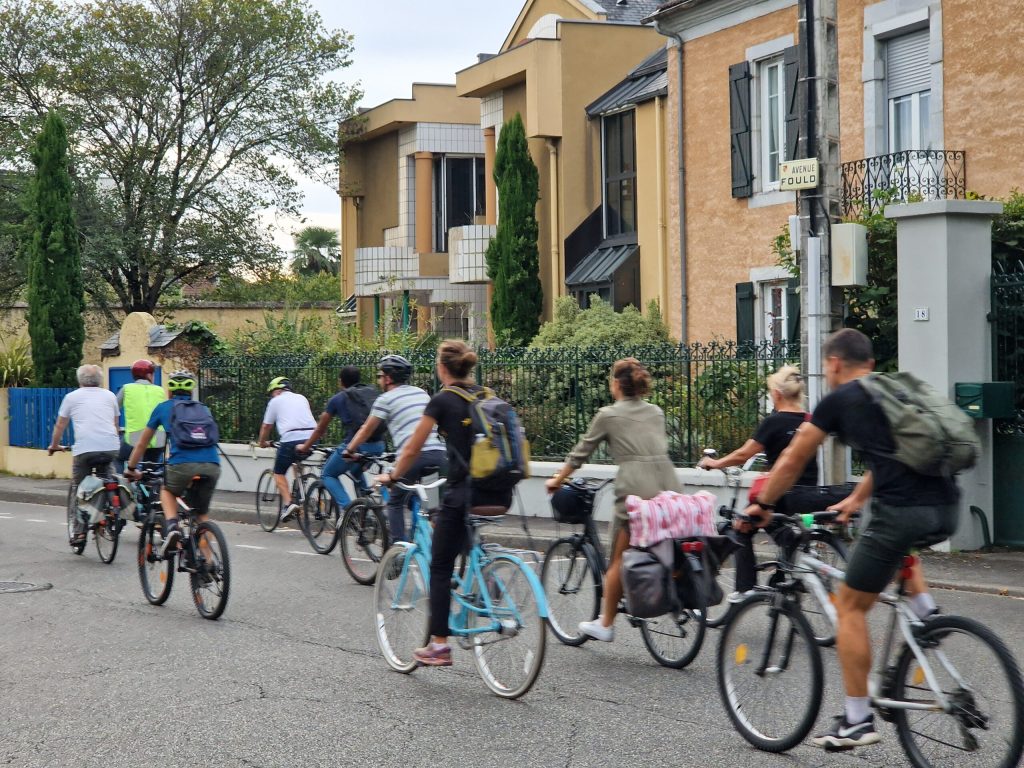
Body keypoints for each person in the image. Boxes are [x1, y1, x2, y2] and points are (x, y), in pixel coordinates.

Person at [741, 329, 958, 751]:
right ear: (870, 364)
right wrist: (856, 499)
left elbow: (792, 460)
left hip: (901, 512)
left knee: (850, 607)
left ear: (835, 363)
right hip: (946, 507)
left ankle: (857, 721)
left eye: (826, 366)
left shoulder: (840, 399)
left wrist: (762, 504)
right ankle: (926, 619)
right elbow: (895, 456)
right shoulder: (892, 391)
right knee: (899, 550)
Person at [377, 340, 509, 667]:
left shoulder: (442, 400)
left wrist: (393, 476)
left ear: (442, 368)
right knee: (459, 536)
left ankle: (438, 645)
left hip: (463, 492)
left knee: (439, 565)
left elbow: (412, 448)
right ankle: (489, 578)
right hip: (499, 492)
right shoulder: (486, 395)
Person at [544, 357, 681, 643]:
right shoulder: (656, 411)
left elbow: (581, 453)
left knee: (619, 555)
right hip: (669, 484)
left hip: (635, 487)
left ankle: (605, 623)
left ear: (616, 383)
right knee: (666, 542)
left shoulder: (608, 414)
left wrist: (557, 479)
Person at [699, 365, 821, 600]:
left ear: (777, 393)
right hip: (809, 492)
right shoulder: (810, 420)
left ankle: (745, 589)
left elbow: (743, 454)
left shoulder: (774, 421)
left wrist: (714, 463)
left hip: (780, 493)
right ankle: (785, 571)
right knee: (778, 525)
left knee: (741, 526)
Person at [345, 354, 446, 543]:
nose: (379, 380)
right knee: (433, 508)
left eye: (380, 376)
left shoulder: (385, 399)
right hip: (437, 454)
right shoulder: (421, 393)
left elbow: (366, 430)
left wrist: (349, 450)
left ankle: (398, 550)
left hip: (413, 458)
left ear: (388, 378)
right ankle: (430, 545)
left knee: (395, 502)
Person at [124, 370, 221, 556]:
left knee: (167, 490)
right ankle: (209, 563)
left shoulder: (163, 408)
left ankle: (172, 527)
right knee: (201, 514)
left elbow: (142, 444)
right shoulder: (203, 409)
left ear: (169, 390)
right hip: (212, 464)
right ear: (191, 390)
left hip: (182, 464)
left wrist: (131, 468)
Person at [47, 364, 121, 543]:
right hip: (111, 446)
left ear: (80, 379)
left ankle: (79, 532)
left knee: (79, 487)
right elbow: (115, 425)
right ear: (100, 380)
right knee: (108, 477)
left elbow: (60, 425)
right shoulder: (110, 396)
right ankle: (112, 512)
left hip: (85, 449)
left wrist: (54, 445)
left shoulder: (72, 397)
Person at [297, 366, 385, 510]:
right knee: (356, 471)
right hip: (378, 445)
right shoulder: (369, 393)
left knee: (328, 474)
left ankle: (350, 511)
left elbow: (320, 429)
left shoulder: (337, 399)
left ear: (340, 381)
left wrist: (305, 447)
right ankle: (367, 509)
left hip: (356, 446)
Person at [258, 377, 317, 524]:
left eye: (271, 393)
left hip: (291, 439)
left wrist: (262, 442)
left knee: (278, 473)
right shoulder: (301, 398)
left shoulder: (275, 401)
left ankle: (288, 504)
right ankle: (303, 492)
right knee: (296, 459)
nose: (271, 396)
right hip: (312, 438)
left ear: (277, 390)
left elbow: (266, 426)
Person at [114, 359, 167, 472]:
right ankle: (150, 481)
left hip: (134, 437)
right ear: (149, 375)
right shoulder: (160, 391)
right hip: (158, 438)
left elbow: (113, 409)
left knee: (118, 458)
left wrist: (116, 427)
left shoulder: (126, 388)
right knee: (150, 469)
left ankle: (121, 480)